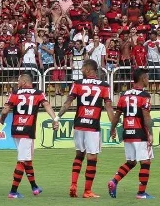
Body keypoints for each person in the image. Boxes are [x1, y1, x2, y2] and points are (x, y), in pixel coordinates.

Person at [56, 59, 115, 198]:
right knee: (92, 158)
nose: (81, 69)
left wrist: (57, 117)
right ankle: (87, 191)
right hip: (92, 125)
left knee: (79, 155)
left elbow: (67, 103)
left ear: (89, 70)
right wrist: (113, 127)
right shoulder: (104, 86)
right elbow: (108, 107)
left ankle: (73, 185)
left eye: (83, 67)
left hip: (79, 124)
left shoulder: (77, 84)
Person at [0, 73, 59, 198]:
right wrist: (55, 119)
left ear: (25, 82)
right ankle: (13, 192)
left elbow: (5, 110)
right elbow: (47, 105)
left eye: (19, 81)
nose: (17, 83)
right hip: (28, 130)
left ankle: (34, 187)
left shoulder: (15, 93)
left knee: (27, 159)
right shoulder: (38, 93)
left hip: (16, 130)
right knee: (22, 160)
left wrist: (2, 119)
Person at [107, 69, 154, 199]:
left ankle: (114, 181)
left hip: (127, 132)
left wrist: (112, 129)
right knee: (146, 162)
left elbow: (117, 115)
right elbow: (146, 116)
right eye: (147, 78)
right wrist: (150, 133)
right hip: (140, 133)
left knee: (131, 162)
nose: (148, 80)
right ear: (143, 78)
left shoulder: (124, 95)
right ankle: (141, 193)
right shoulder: (144, 95)